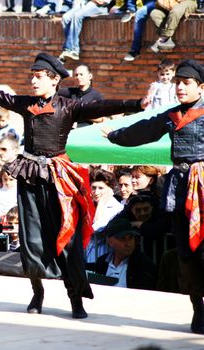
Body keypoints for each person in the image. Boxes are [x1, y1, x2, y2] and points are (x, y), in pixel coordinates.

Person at [0, 53, 144, 318]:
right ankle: (37, 292)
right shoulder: (26, 104)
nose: (33, 81)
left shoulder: (69, 106)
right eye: (32, 76)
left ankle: (75, 298)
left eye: (38, 77)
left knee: (66, 239)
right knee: (31, 239)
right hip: (30, 176)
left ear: (54, 80)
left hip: (58, 179)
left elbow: (103, 106)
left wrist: (138, 103)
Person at [104, 59, 204, 334]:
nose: (180, 88)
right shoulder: (171, 116)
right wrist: (114, 135)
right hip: (180, 188)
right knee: (185, 255)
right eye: (178, 83)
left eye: (186, 83)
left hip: (203, 187)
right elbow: (145, 129)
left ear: (201, 87)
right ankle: (198, 311)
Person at [93, 218, 157, 290]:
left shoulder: (143, 264)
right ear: (110, 241)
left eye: (131, 238)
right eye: (122, 239)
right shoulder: (102, 262)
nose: (128, 243)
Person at [85, 168, 124, 268]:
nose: (96, 192)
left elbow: (97, 229)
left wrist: (101, 204)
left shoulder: (116, 207)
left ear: (110, 189)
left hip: (104, 253)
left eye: (101, 188)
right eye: (93, 187)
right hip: (87, 253)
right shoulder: (89, 204)